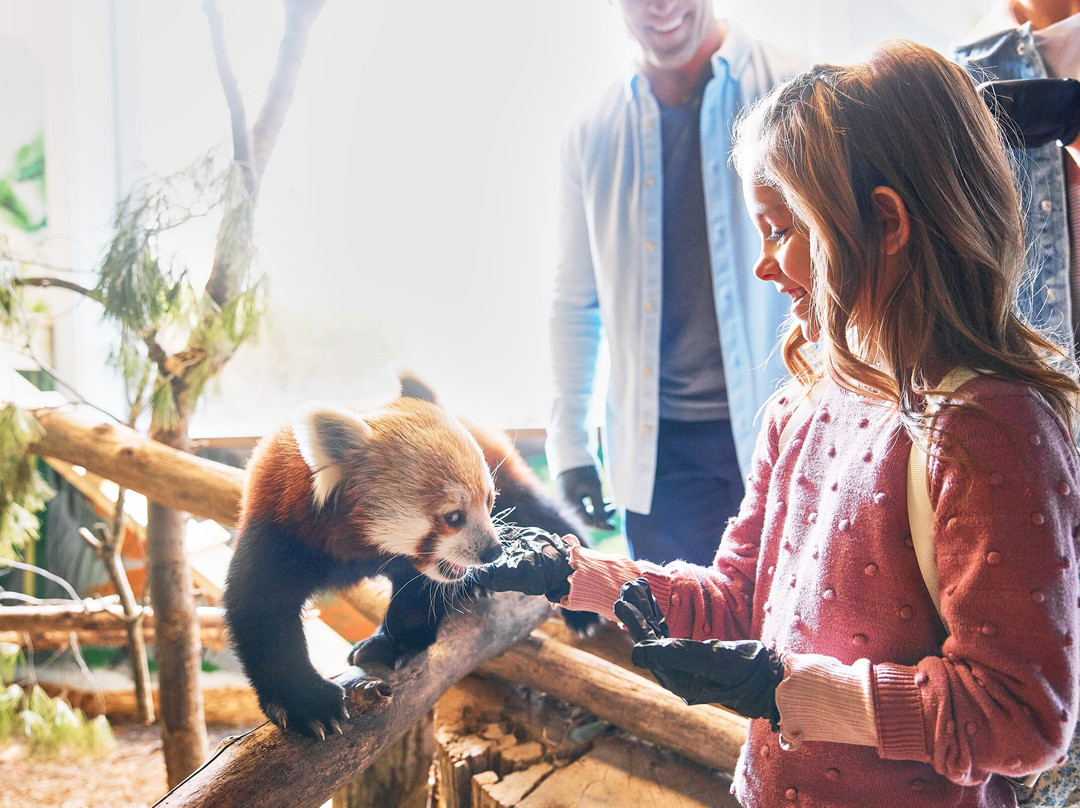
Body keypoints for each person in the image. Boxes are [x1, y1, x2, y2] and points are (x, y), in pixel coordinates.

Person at [477, 40, 1080, 807]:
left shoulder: (990, 429)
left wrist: (789, 689)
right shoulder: (803, 403)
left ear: (885, 223)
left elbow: (1021, 718)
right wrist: (575, 577)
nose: (764, 265)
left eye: (781, 230)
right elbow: (734, 598)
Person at [546, 0, 809, 565]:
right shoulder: (591, 131)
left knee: (801, 638)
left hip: (796, 425)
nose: (659, 5)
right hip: (660, 459)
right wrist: (568, 446)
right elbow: (575, 301)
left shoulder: (799, 89)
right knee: (677, 646)